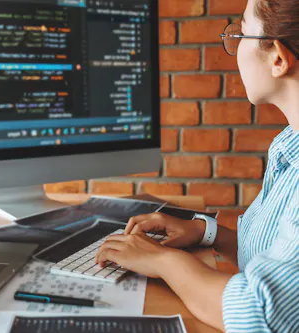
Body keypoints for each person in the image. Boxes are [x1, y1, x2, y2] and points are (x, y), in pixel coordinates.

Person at [95, 0, 299, 332]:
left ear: (277, 57)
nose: (233, 49)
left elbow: (260, 314)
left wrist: (163, 261)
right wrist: (206, 233)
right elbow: (273, 253)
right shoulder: (289, 144)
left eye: (242, 33)